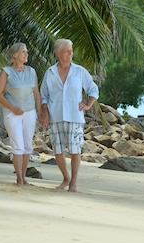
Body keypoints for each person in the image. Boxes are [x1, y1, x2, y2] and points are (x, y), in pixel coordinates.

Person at [39, 39, 99, 192]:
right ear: (58, 53)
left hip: (74, 116)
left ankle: (73, 183)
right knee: (58, 151)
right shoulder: (50, 72)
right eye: (67, 50)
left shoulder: (79, 71)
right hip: (55, 116)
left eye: (71, 50)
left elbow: (93, 89)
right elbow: (43, 95)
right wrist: (44, 113)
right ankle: (66, 178)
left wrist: (88, 104)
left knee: (75, 151)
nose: (71, 53)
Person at [0, 43, 41, 185]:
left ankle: (23, 177)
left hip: (29, 112)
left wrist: (40, 113)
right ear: (14, 55)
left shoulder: (32, 71)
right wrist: (12, 107)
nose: (26, 54)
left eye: (26, 52)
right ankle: (19, 178)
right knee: (18, 146)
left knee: (27, 146)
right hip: (12, 113)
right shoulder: (6, 71)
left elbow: (36, 94)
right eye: (23, 52)